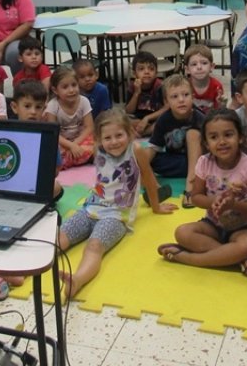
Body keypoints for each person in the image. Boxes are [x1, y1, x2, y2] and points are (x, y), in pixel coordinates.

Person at [58, 109, 176, 299]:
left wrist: (156, 206)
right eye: (108, 137)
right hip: (89, 208)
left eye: (119, 135)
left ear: (129, 133)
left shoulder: (135, 150)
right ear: (99, 138)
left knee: (94, 246)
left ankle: (77, 280)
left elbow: (147, 176)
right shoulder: (98, 149)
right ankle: (25, 268)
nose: (114, 142)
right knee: (61, 236)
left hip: (116, 216)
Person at [157, 109, 247, 279]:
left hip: (241, 227)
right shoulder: (204, 162)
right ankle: (234, 259)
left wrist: (234, 205)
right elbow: (196, 197)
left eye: (228, 135)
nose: (222, 142)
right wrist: (212, 201)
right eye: (214, 137)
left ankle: (188, 258)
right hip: (212, 225)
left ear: (240, 137)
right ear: (207, 143)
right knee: (182, 232)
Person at [139, 74, 204, 209]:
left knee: (193, 134)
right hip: (176, 163)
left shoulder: (199, 117)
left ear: (193, 97)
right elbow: (154, 147)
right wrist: (140, 163)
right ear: (166, 102)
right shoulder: (163, 120)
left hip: (198, 165)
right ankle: (154, 187)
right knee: (142, 153)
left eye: (186, 95)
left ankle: (191, 187)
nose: (181, 100)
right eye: (174, 97)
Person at [44, 66, 95, 169]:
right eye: (65, 87)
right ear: (55, 90)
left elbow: (89, 127)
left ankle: (72, 159)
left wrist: (75, 144)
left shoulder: (84, 101)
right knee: (50, 151)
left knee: (98, 145)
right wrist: (70, 146)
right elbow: (54, 134)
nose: (71, 90)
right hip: (62, 142)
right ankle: (78, 158)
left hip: (80, 139)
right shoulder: (52, 106)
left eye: (74, 85)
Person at [126, 50, 167, 136]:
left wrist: (147, 118)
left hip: (154, 118)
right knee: (122, 119)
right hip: (137, 119)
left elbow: (167, 108)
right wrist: (136, 93)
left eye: (151, 69)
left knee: (167, 118)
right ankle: (141, 132)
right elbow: (129, 111)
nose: (147, 72)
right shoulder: (133, 86)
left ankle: (143, 133)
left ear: (156, 73)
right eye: (141, 69)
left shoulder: (160, 86)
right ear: (134, 73)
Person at [183, 43, 226, 114]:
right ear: (187, 69)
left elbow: (220, 111)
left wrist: (220, 103)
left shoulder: (217, 86)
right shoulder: (184, 86)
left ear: (212, 66)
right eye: (194, 64)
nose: (199, 67)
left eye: (204, 63)